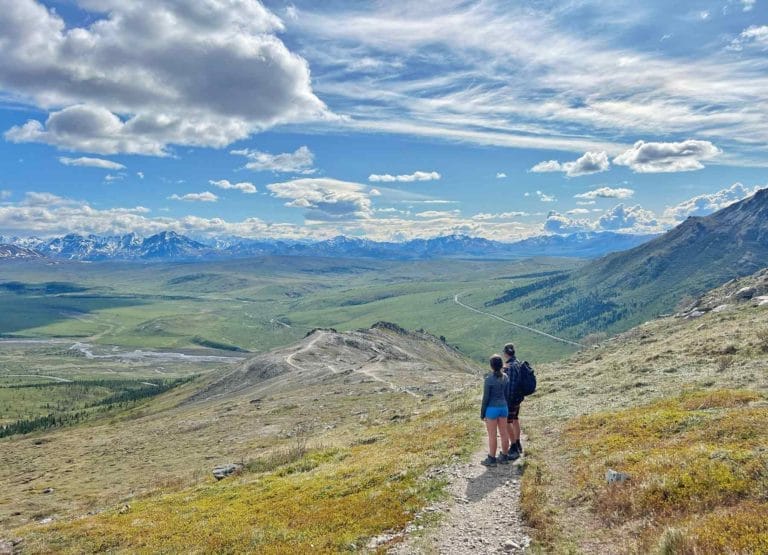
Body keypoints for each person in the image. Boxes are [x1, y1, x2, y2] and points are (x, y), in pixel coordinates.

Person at [480, 354, 511, 467]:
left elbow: (486, 398)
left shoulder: (489, 380)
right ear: (501, 364)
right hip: (504, 408)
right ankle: (504, 456)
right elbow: (507, 394)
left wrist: (482, 413)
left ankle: (492, 459)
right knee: (504, 433)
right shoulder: (506, 377)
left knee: (492, 435)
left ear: (491, 366)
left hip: (491, 409)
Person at [503, 343, 523, 460]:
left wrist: (507, 400)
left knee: (507, 422)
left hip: (511, 399)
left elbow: (509, 386)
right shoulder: (518, 363)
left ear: (506, 353)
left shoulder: (509, 367)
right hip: (518, 398)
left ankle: (514, 447)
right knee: (515, 420)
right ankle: (518, 442)